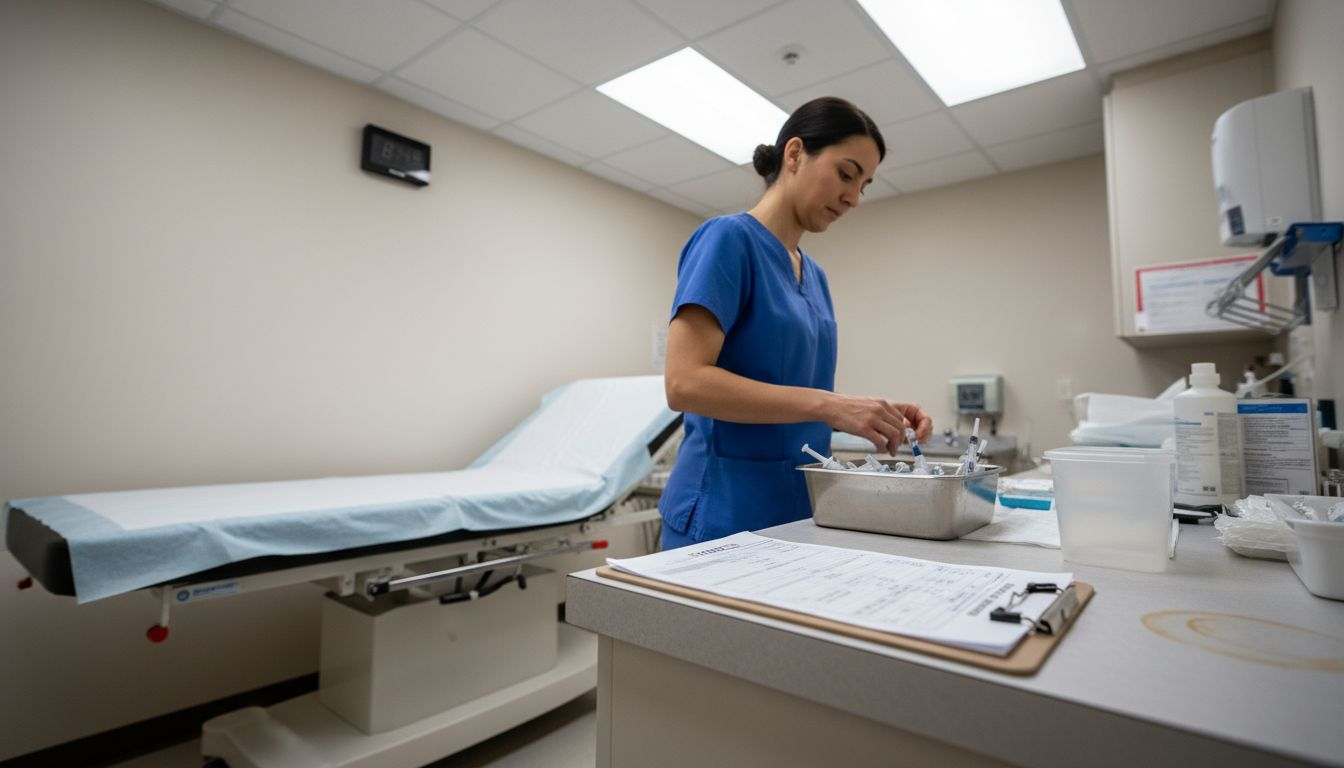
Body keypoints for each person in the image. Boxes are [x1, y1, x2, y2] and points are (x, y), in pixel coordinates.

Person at [659, 96, 933, 549]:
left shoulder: (815, 275)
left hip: (797, 513)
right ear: (794, 154)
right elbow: (683, 384)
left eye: (863, 186)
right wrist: (832, 406)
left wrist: (868, 413)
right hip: (721, 515)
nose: (853, 198)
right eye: (846, 174)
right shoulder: (728, 240)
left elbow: (793, 392)